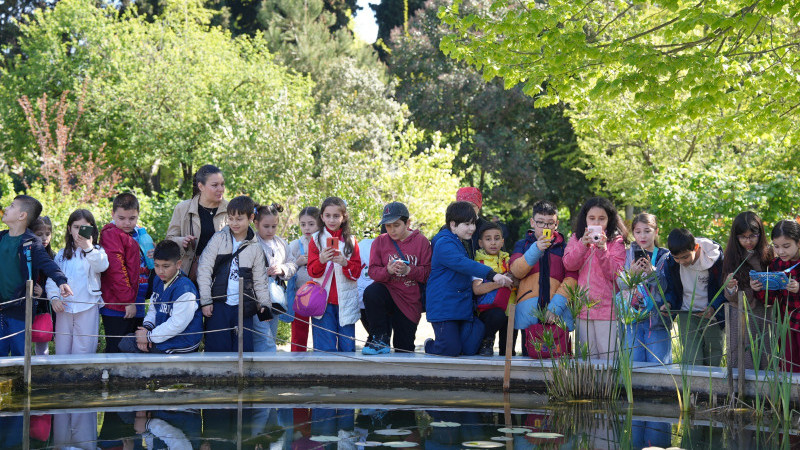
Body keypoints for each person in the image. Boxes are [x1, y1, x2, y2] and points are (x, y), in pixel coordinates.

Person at [425, 201, 512, 357]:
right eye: (467, 224)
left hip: (462, 308)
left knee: (471, 349)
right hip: (444, 308)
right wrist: (492, 274)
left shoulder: (460, 241)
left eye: (473, 223)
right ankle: (430, 345)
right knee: (451, 350)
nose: (472, 228)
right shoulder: (443, 242)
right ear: (453, 225)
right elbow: (463, 264)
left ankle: (464, 334)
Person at [197, 195, 271, 352]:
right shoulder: (218, 239)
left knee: (242, 351)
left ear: (251, 217)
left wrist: (265, 304)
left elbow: (260, 280)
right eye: (231, 218)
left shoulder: (256, 247)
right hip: (218, 305)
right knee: (216, 350)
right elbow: (204, 270)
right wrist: (205, 301)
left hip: (244, 307)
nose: (234, 223)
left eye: (239, 219)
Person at [0, 195, 72, 356]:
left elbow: (48, 263)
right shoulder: (1, 237)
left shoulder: (31, 242)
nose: (6, 209)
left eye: (11, 206)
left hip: (20, 309)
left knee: (20, 354)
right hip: (1, 309)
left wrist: (61, 281)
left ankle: (22, 383)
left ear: (22, 215)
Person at [361, 202, 431, 355]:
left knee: (404, 349)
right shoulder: (379, 241)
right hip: (386, 292)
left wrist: (409, 270)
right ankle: (380, 338)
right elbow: (372, 271)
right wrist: (387, 270)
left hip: (409, 301)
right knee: (371, 292)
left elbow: (427, 273)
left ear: (408, 223)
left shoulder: (422, 242)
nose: (392, 230)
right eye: (388, 226)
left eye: (396, 225)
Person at [509, 200, 577, 357]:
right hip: (529, 313)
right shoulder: (523, 244)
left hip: (558, 313)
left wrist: (556, 307)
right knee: (529, 358)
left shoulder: (565, 248)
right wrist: (536, 249)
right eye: (540, 222)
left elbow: (572, 278)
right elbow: (516, 271)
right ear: (532, 222)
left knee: (559, 360)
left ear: (556, 224)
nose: (545, 227)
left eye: (550, 223)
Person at [563, 197, 627, 359]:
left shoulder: (616, 241)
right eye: (592, 218)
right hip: (583, 308)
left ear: (609, 219)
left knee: (609, 359)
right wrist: (582, 245)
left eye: (602, 219)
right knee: (586, 361)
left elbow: (616, 274)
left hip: (608, 310)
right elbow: (569, 264)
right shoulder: (576, 238)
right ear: (585, 219)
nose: (597, 223)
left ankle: (610, 386)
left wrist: (603, 250)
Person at [118, 240, 203, 354]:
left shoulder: (185, 289)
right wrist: (146, 329)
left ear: (178, 264)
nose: (160, 271)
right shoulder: (158, 279)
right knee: (127, 341)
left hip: (182, 341)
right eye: (157, 265)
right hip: (162, 335)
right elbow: (153, 309)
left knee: (129, 345)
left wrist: (148, 337)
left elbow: (177, 324)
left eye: (166, 266)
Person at [46, 209, 109, 355]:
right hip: (64, 307)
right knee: (62, 347)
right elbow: (52, 278)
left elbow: (102, 266)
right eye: (76, 227)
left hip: (87, 305)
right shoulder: (62, 254)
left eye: (84, 228)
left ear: (91, 230)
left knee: (85, 347)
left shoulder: (97, 251)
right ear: (69, 229)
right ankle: (62, 376)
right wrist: (54, 298)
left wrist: (88, 248)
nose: (79, 232)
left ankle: (83, 376)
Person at [662, 228, 725, 366]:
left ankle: (711, 387)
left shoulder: (715, 259)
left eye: (685, 257)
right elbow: (672, 289)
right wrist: (669, 303)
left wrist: (714, 308)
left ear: (696, 247)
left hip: (712, 315)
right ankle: (692, 387)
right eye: (676, 257)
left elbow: (723, 288)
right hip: (687, 313)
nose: (681, 261)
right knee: (691, 358)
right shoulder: (671, 263)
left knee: (713, 355)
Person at [307, 197, 363, 352]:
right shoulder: (316, 239)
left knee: (347, 348)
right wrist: (321, 260)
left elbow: (356, 272)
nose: (332, 219)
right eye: (328, 215)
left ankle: (348, 377)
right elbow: (312, 271)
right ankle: (324, 376)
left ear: (343, 217)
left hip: (346, 302)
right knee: (325, 349)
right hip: (322, 302)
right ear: (322, 217)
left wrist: (345, 263)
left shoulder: (351, 241)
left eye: (336, 216)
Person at [616, 213, 671, 364]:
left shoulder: (665, 256)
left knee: (658, 366)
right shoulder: (627, 255)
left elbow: (667, 287)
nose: (642, 236)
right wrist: (631, 275)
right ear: (633, 233)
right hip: (631, 319)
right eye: (638, 231)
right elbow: (619, 285)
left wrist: (653, 273)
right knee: (633, 365)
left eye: (647, 231)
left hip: (656, 319)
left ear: (656, 231)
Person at [723, 211, 772, 370]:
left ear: (760, 233)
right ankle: (740, 394)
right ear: (736, 237)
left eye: (753, 236)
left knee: (764, 354)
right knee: (742, 358)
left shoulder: (769, 253)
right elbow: (730, 296)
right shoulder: (731, 255)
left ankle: (764, 394)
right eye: (743, 237)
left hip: (764, 313)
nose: (748, 241)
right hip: (741, 313)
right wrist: (730, 288)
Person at [99, 193, 148, 354]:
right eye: (122, 218)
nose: (127, 223)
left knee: (135, 348)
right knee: (117, 350)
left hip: (136, 301)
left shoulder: (139, 234)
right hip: (119, 305)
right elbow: (116, 271)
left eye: (132, 218)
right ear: (112, 214)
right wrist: (128, 301)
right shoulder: (111, 234)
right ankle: (111, 379)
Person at [167, 164, 228, 282]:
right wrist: (182, 241)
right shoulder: (182, 208)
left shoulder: (231, 209)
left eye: (222, 184)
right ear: (201, 186)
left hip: (222, 277)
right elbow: (169, 239)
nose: (221, 189)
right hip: (190, 275)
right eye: (215, 185)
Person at [753, 220, 800, 372]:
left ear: (798, 242)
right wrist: (759, 288)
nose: (781, 251)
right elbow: (770, 299)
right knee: (789, 365)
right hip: (786, 324)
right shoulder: (776, 264)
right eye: (776, 246)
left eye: (786, 246)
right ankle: (790, 396)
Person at [253, 203, 297, 352]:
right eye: (266, 226)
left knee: (271, 333)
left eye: (274, 226)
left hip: (276, 297)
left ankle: (267, 364)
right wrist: (263, 272)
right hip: (257, 298)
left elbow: (292, 264)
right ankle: (266, 367)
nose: (270, 230)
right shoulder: (251, 242)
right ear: (256, 223)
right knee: (263, 335)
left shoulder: (281, 243)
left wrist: (283, 269)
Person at [472, 222, 515, 356]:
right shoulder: (478, 263)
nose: (493, 243)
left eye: (497, 239)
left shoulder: (509, 260)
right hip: (489, 312)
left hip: (510, 310)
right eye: (488, 239)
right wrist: (501, 281)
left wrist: (514, 279)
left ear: (502, 241)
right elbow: (477, 289)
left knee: (508, 353)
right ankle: (487, 341)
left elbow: (518, 281)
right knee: (497, 314)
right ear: (480, 243)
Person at [287, 207, 319, 352]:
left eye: (311, 224)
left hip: (320, 295)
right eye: (303, 224)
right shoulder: (294, 245)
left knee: (322, 333)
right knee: (299, 334)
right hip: (300, 295)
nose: (307, 228)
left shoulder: (324, 243)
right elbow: (287, 269)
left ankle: (322, 361)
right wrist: (297, 263)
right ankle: (297, 363)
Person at [30, 216, 54, 355]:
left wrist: (43, 293)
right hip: (23, 304)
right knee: (23, 340)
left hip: (43, 305)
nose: (44, 238)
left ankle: (41, 370)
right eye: (39, 234)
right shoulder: (24, 254)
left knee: (42, 338)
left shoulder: (52, 256)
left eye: (47, 234)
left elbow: (55, 282)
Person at [454, 187, 488, 259]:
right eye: (464, 206)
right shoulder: (449, 228)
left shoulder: (488, 228)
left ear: (479, 207)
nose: (468, 210)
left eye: (472, 206)